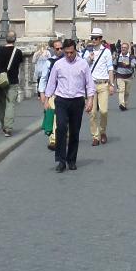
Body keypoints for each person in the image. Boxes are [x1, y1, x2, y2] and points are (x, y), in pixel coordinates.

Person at [41, 38, 94, 172]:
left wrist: (90, 100)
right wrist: (47, 99)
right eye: (67, 53)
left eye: (71, 52)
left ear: (75, 50)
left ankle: (71, 160)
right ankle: (60, 160)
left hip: (77, 100)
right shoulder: (58, 64)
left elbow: (89, 83)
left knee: (75, 131)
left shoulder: (83, 64)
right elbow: (52, 82)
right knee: (61, 128)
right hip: (62, 100)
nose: (69, 55)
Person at [86, 29, 114, 146]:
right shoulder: (87, 52)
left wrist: (111, 84)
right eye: (92, 38)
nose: (93, 40)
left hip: (103, 84)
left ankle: (103, 131)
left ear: (100, 39)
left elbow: (110, 68)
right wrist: (89, 59)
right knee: (92, 113)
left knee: (104, 111)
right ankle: (95, 136)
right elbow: (82, 68)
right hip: (91, 85)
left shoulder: (106, 52)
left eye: (96, 38)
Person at [0, 34, 22, 135]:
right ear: (15, 40)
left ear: (6, 39)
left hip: (1, 80)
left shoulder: (0, 50)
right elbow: (19, 64)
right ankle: (8, 128)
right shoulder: (18, 52)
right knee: (10, 105)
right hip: (13, 80)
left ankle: (3, 126)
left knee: (2, 104)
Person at [113, 41, 136, 111]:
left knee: (127, 92)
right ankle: (122, 104)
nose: (123, 49)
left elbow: (134, 64)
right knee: (121, 90)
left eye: (125, 48)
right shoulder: (118, 56)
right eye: (122, 47)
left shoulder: (131, 57)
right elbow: (114, 65)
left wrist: (128, 64)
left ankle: (125, 104)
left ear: (128, 49)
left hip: (128, 77)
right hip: (119, 76)